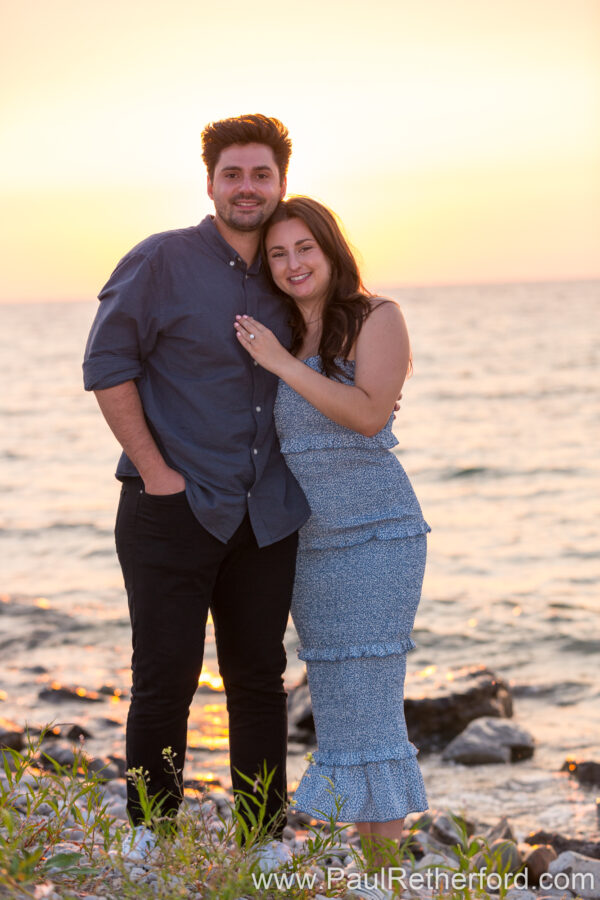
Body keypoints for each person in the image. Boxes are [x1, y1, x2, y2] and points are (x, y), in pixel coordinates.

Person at [82, 115, 311, 853]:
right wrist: (157, 474)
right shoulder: (159, 261)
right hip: (170, 509)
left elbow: (336, 343)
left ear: (282, 180)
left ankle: (264, 840)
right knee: (164, 680)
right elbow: (106, 366)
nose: (248, 188)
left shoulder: (292, 268)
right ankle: (150, 841)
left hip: (267, 513)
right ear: (209, 181)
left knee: (258, 681)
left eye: (262, 174)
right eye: (234, 174)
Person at [234, 196, 430, 864]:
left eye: (304, 249)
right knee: (341, 710)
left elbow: (371, 414)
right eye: (278, 253)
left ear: (330, 248)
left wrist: (283, 368)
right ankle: (373, 866)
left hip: (377, 533)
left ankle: (384, 874)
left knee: (373, 706)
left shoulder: (377, 317)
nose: (292, 264)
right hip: (309, 544)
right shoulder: (280, 330)